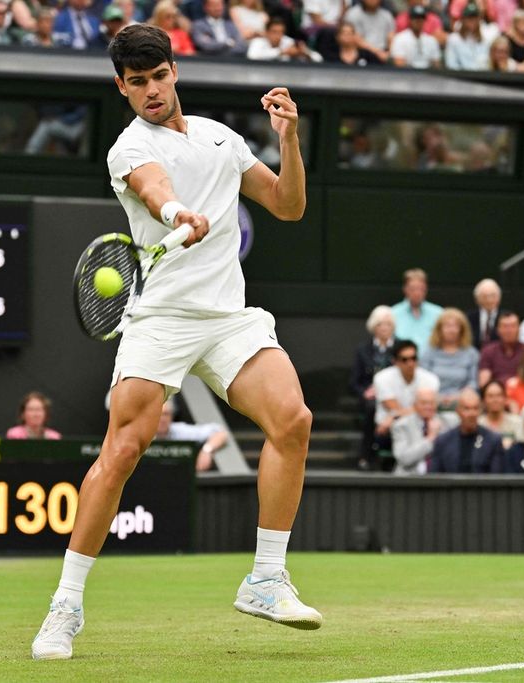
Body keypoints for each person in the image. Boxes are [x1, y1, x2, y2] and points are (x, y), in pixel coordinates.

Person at [31, 25, 323, 660]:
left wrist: (290, 141)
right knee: (125, 448)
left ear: (173, 72)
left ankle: (266, 579)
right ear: (123, 88)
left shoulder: (222, 138)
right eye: (136, 83)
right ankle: (66, 604)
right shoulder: (128, 147)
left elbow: (287, 204)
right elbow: (154, 187)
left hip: (228, 318)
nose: (150, 91)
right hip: (161, 317)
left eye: (157, 77)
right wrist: (174, 214)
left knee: (293, 420)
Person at [349, 305, 396, 469]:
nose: (384, 328)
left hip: (395, 395)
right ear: (373, 327)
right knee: (371, 407)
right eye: (380, 324)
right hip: (371, 398)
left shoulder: (400, 348)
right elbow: (354, 382)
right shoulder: (363, 350)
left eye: (388, 324)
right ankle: (366, 453)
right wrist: (365, 392)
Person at [428, 389, 505, 473]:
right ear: (458, 411)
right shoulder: (443, 441)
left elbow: (496, 479)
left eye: (475, 408)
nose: (471, 414)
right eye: (467, 409)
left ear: (480, 411)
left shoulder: (493, 441)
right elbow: (434, 478)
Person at [421, 308, 480, 408]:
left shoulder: (471, 353)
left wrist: (458, 396)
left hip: (462, 402)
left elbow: (473, 382)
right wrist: (438, 397)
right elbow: (422, 379)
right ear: (439, 329)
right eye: (447, 326)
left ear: (462, 329)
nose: (451, 330)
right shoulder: (429, 352)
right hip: (433, 402)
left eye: (455, 326)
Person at [391, 386, 453, 475]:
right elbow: (404, 459)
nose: (428, 407)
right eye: (423, 403)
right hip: (408, 479)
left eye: (432, 403)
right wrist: (430, 438)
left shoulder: (448, 422)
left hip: (439, 479)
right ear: (414, 405)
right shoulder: (401, 425)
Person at [154, 398, 229, 472]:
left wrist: (207, 450)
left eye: (166, 414)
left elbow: (220, 432)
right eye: (158, 414)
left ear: (171, 416)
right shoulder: (142, 434)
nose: (162, 419)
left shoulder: (180, 431)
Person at [391, 268, 443, 355]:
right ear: (405, 289)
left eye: (420, 289)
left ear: (426, 289)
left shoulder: (439, 313)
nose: (417, 293)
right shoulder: (392, 314)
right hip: (403, 363)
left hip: (432, 364)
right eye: (413, 289)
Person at [478, 311, 524, 387]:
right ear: (498, 330)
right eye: (505, 326)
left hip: (521, 392)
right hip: (496, 394)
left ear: (519, 329)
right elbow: (483, 383)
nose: (509, 330)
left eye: (513, 326)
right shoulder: (488, 351)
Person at [248, 17, 320, 61]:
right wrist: (281, 52)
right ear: (267, 32)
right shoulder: (258, 41)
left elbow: (318, 59)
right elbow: (252, 56)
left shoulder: (289, 42)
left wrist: (304, 53)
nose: (278, 35)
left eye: (281, 32)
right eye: (274, 32)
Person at [478, 380, 522, 450]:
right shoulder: (478, 424)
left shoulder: (517, 422)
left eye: (499, 395)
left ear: (505, 399)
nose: (495, 400)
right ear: (483, 401)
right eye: (490, 396)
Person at [445, 3, 491, 70]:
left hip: (481, 77)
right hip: (459, 78)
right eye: (469, 18)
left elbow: (487, 64)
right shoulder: (453, 39)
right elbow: (451, 65)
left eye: (475, 18)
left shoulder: (485, 40)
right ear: (463, 19)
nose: (472, 21)